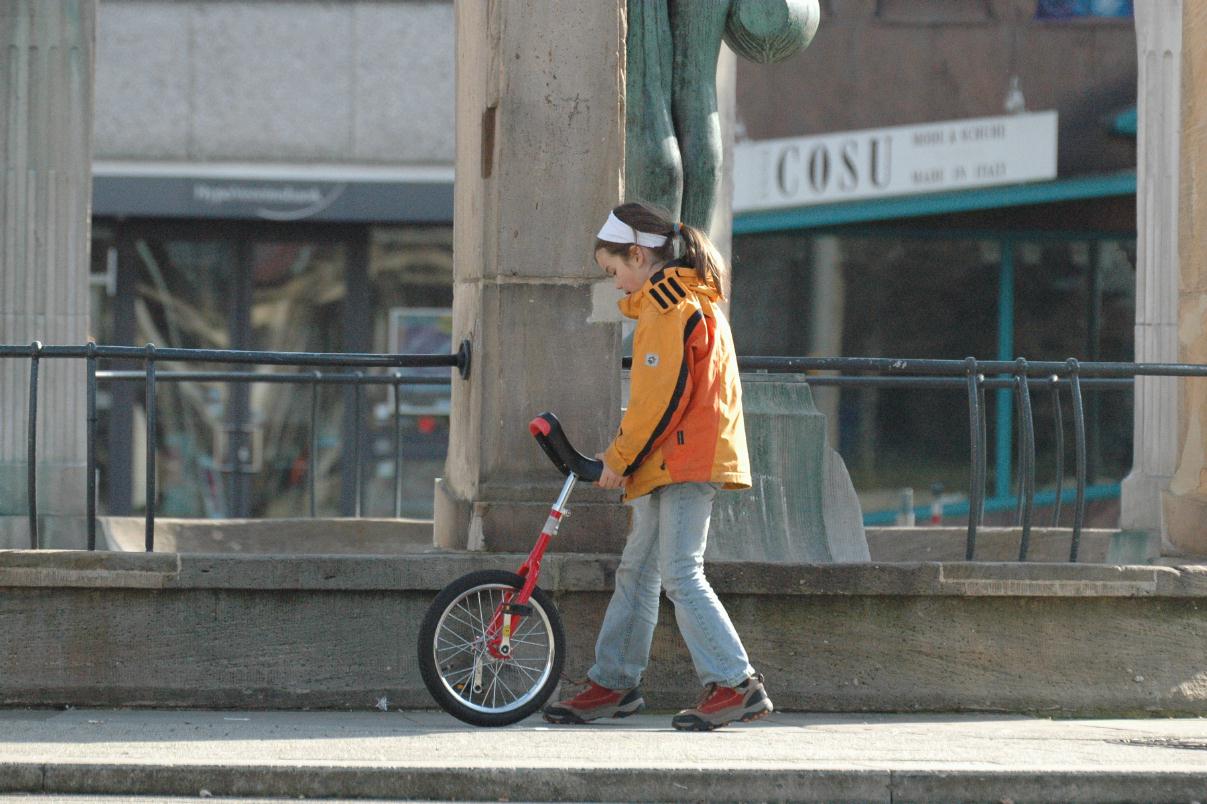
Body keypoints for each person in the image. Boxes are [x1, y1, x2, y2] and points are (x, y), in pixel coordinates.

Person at [542, 201, 772, 731]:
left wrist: (617, 460)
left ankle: (737, 683)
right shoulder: (673, 300)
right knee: (640, 571)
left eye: (614, 269)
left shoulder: (668, 307)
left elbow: (660, 400)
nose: (616, 282)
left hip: (684, 457)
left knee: (680, 573)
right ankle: (614, 682)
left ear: (639, 255)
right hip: (673, 456)